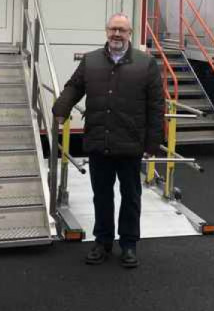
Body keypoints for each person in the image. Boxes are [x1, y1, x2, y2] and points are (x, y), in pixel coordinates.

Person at [52, 13, 164, 268]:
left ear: (130, 34)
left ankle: (128, 245)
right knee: (101, 195)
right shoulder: (91, 61)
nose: (117, 34)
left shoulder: (145, 64)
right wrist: (61, 109)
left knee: (131, 195)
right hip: (99, 141)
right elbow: (73, 87)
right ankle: (102, 242)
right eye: (113, 29)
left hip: (130, 143)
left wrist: (152, 144)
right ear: (106, 31)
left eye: (122, 30)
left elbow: (156, 106)